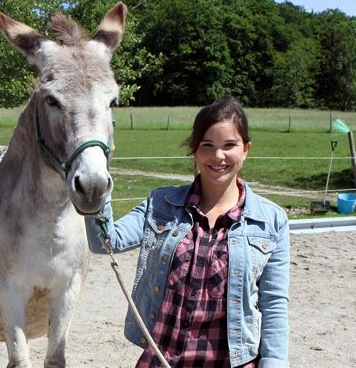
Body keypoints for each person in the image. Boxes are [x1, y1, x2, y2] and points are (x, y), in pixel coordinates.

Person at [85, 96, 290, 367]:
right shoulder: (160, 204)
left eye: (229, 145)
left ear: (246, 149)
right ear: (195, 150)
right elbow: (106, 242)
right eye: (207, 146)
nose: (218, 156)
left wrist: (274, 363)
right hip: (163, 359)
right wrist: (99, 171)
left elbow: (274, 305)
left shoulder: (271, 221)